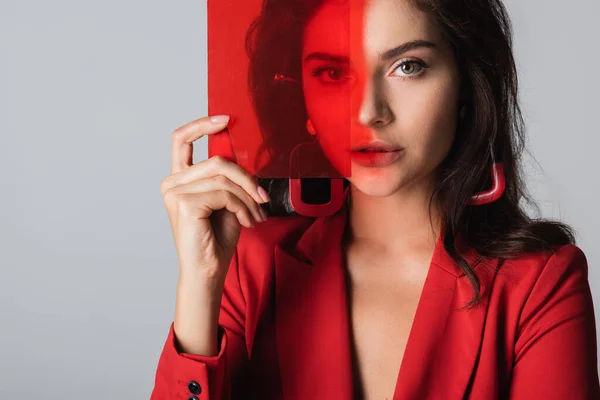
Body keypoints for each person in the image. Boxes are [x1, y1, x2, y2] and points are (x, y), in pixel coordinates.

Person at [151, 0, 600, 398]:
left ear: (466, 84)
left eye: (408, 66)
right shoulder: (251, 262)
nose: (368, 112)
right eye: (332, 73)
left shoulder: (541, 283)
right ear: (301, 102)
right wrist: (200, 279)